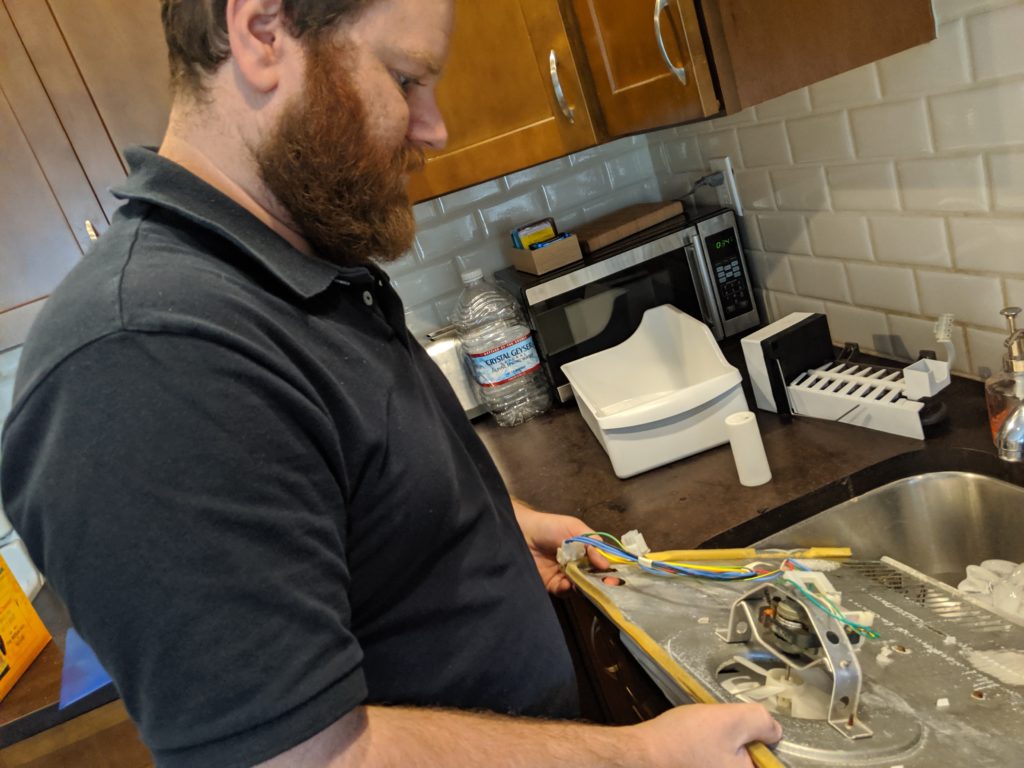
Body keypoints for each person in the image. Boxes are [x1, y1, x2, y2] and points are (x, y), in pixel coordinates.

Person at [0, 0, 782, 765]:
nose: (435, 125)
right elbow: (298, 758)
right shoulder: (144, 356)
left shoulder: (294, 271)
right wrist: (641, 759)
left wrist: (496, 527)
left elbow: (354, 490)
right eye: (406, 79)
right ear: (263, 32)